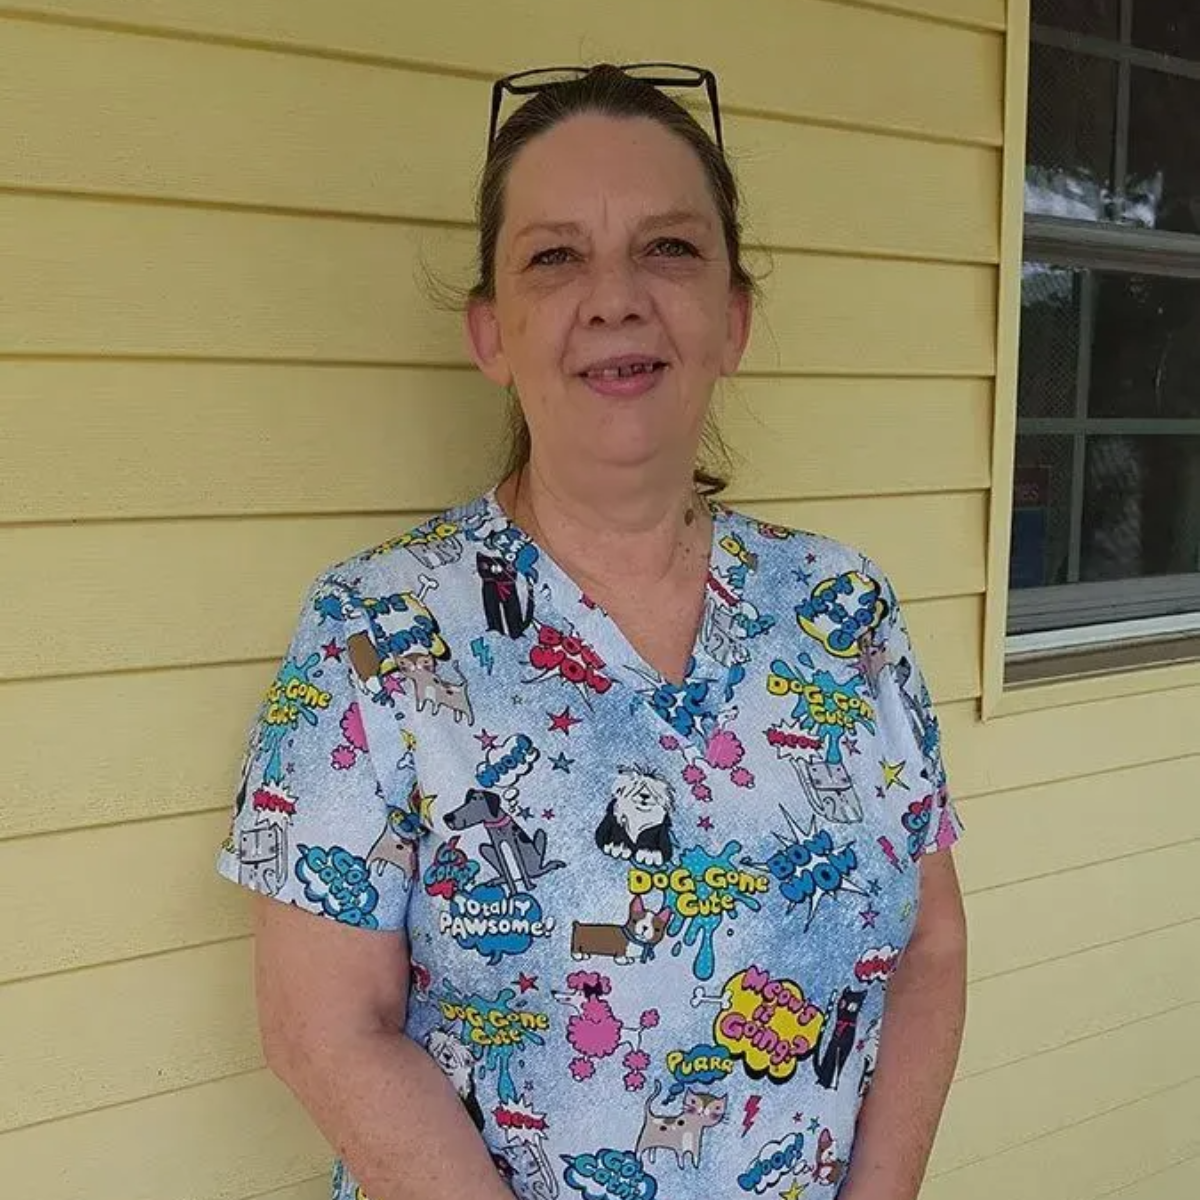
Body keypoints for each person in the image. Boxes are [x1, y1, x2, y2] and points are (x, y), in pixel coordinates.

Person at [216, 62, 968, 1200]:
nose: (615, 297)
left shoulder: (843, 609)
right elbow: (322, 1030)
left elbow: (932, 947)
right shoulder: (375, 632)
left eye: (668, 248)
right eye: (556, 256)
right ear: (490, 334)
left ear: (734, 318)